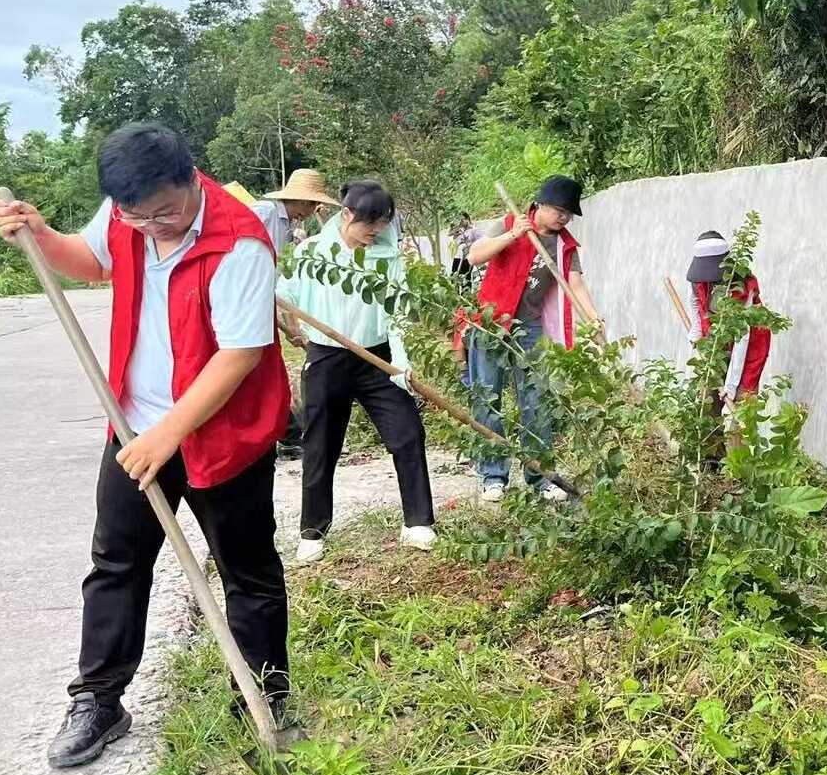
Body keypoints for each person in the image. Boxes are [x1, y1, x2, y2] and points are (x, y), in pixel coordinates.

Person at [0, 123, 293, 767]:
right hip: (134, 429)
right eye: (137, 216)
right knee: (116, 564)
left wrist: (170, 433)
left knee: (248, 573)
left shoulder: (240, 243)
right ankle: (98, 700)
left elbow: (239, 355)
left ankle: (261, 698)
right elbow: (90, 261)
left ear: (192, 178)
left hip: (224, 438)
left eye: (166, 213)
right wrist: (41, 235)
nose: (152, 226)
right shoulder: (126, 215)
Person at [278, 179, 437, 564]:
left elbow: (396, 315)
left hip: (377, 358)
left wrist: (400, 365)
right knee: (320, 444)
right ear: (347, 215)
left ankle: (418, 521)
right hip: (327, 357)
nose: (375, 232)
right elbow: (286, 296)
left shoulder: (388, 258)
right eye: (370, 223)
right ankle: (313, 531)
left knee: (407, 433)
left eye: (382, 224)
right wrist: (294, 326)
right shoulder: (312, 253)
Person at [451, 175, 602, 503]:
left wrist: (593, 318)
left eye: (568, 213)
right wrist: (513, 234)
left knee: (536, 402)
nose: (563, 218)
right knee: (487, 398)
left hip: (529, 328)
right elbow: (475, 256)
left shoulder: (565, 245)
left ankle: (541, 477)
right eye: (558, 210)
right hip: (490, 321)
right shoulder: (509, 223)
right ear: (540, 204)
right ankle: (493, 476)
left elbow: (575, 284)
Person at [251, 169, 341, 462]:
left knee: (267, 370)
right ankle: (287, 434)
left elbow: (281, 280)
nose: (312, 211)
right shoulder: (263, 212)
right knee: (261, 371)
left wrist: (291, 326)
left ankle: (288, 435)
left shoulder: (289, 226)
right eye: (312, 205)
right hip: (247, 302)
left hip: (264, 302)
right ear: (301, 201)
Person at [686, 229, 772, 405]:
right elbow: (694, 300)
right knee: (707, 393)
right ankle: (712, 431)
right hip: (717, 334)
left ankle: (738, 430)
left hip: (749, 341)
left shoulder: (742, 286)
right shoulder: (698, 277)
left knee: (743, 400)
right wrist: (696, 331)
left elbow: (742, 337)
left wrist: (731, 385)